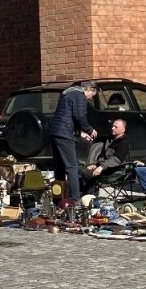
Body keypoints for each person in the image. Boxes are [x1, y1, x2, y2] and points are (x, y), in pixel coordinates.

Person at [46, 82, 97, 210]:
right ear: (89, 89)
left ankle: (58, 198)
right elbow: (79, 116)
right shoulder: (79, 96)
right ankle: (75, 199)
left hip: (55, 132)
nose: (90, 98)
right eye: (92, 95)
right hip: (65, 135)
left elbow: (67, 117)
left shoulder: (67, 95)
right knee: (72, 167)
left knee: (59, 167)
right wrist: (89, 129)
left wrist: (81, 133)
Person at [85, 118, 132, 183]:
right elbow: (102, 155)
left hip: (114, 171)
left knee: (82, 172)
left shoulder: (124, 143)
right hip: (103, 168)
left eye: (116, 127)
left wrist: (101, 167)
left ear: (123, 130)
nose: (112, 128)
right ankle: (89, 191)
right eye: (113, 126)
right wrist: (95, 164)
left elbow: (116, 160)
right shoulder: (110, 139)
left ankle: (89, 191)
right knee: (80, 169)